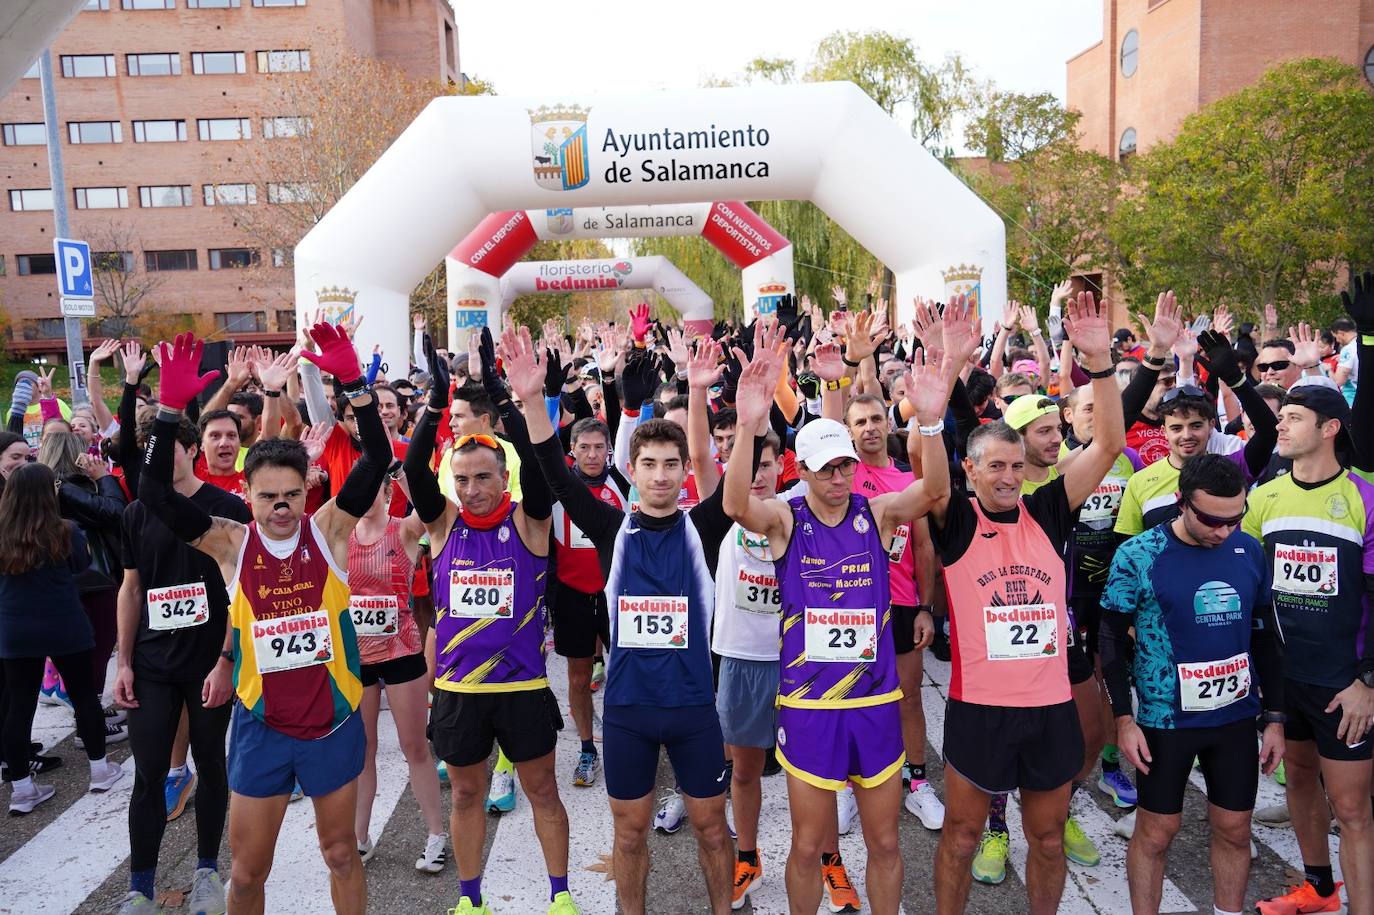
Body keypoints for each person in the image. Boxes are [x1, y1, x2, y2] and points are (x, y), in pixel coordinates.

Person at [724, 298, 975, 915]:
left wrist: (935, 421)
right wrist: (749, 423)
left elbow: (937, 490)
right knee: (810, 845)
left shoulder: (878, 510)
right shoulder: (785, 518)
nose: (839, 477)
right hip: (810, 706)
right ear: (803, 471)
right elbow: (736, 507)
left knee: (887, 841)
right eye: (826, 468)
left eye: (845, 465)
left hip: (874, 703)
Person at [138, 327, 393, 915]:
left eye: (291, 494)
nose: (281, 507)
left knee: (339, 855)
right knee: (249, 874)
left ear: (307, 491)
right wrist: (169, 412)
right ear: (245, 495)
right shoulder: (229, 543)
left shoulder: (329, 530)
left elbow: (377, 457)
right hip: (261, 727)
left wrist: (353, 384)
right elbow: (153, 491)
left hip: (332, 721)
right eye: (267, 496)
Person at [520, 326, 735, 915]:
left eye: (672, 465)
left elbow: (734, 484)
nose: (662, 476)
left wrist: (721, 401)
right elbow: (559, 477)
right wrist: (536, 402)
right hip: (630, 713)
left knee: (714, 829)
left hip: (694, 709)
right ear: (631, 472)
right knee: (631, 833)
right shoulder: (614, 529)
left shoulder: (703, 528)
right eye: (649, 465)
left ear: (683, 470)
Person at [929, 292, 1125, 915]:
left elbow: (1108, 447)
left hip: (1049, 706)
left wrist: (1100, 364)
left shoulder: (1046, 509)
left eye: (1017, 464)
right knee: (961, 837)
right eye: (996, 466)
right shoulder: (955, 519)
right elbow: (930, 474)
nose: (1010, 475)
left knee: (1045, 836)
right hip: (979, 708)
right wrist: (940, 386)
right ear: (972, 470)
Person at [403, 330, 575, 915]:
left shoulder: (529, 524)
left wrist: (504, 395)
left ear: (505, 479)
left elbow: (536, 460)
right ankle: (471, 900)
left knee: (543, 793)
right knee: (469, 793)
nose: (473, 489)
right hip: (459, 690)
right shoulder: (444, 524)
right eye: (464, 479)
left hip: (522, 687)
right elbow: (411, 467)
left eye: (484, 478)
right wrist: (434, 395)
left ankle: (560, 896)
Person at [1100, 454, 1285, 915]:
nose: (1224, 531)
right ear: (1181, 503)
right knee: (1157, 833)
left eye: (1234, 519)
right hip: (1166, 720)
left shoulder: (1248, 550)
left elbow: (1266, 637)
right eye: (1210, 520)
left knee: (1235, 830)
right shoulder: (1138, 555)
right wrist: (1123, 719)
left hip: (1234, 717)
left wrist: (1276, 718)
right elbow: (1108, 640)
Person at [112, 414, 250, 914]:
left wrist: (226, 659)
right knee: (149, 775)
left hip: (209, 663)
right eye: (151, 445)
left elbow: (242, 591)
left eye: (167, 444)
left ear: (191, 449)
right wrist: (123, 662)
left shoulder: (225, 508)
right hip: (152, 664)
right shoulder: (135, 513)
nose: (158, 453)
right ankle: (140, 888)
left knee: (213, 766)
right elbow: (130, 589)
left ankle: (208, 872)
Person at [1245, 381, 1374, 915]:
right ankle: (1320, 890)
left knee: (1352, 809)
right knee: (1297, 779)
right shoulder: (1264, 495)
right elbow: (1248, 585)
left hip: (1343, 682)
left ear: (1329, 428)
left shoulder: (1365, 495)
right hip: (1284, 678)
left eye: (1293, 417)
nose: (1281, 424)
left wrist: (1365, 682)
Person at [0, 462, 124, 814]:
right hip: (64, 622)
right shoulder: (66, 531)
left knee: (19, 705)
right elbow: (80, 566)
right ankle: (100, 770)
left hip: (14, 628)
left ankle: (22, 789)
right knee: (84, 696)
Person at [345, 482, 448, 875]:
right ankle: (360, 838)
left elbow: (432, 502)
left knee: (414, 746)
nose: (366, 494)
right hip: (359, 658)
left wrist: (402, 466)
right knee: (364, 749)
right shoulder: (341, 533)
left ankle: (436, 835)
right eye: (359, 485)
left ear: (387, 492)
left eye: (375, 487)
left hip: (402, 652)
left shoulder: (403, 530)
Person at [548, 416, 627, 788]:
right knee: (579, 677)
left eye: (599, 447)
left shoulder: (622, 484)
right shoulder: (558, 489)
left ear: (608, 449)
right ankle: (586, 749)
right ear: (572, 452)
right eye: (585, 448)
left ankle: (629, 740)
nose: (593, 455)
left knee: (628, 674)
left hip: (615, 595)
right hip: (572, 594)